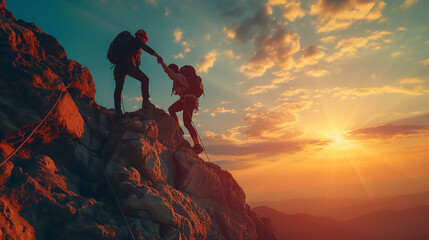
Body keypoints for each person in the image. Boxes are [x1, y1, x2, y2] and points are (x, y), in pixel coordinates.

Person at [112, 29, 163, 116]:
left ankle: (118, 111)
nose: (144, 41)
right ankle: (146, 102)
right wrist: (157, 56)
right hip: (126, 65)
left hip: (118, 66)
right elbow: (147, 48)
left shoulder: (131, 43)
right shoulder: (136, 41)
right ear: (140, 36)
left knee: (118, 88)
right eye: (144, 39)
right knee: (145, 79)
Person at [160, 61, 204, 154]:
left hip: (188, 100)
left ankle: (197, 146)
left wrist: (161, 62)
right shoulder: (182, 77)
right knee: (172, 110)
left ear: (174, 70)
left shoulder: (179, 76)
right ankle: (178, 129)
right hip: (188, 100)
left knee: (187, 123)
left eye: (171, 70)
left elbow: (169, 72)